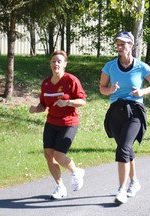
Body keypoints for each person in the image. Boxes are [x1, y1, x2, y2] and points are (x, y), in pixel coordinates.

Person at [99, 31, 150, 204]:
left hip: (135, 111)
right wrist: (110, 90)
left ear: (131, 45)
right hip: (115, 111)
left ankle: (122, 189)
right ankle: (135, 182)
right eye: (118, 44)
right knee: (125, 148)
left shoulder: (141, 67)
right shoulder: (110, 66)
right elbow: (102, 88)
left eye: (123, 44)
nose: (120, 47)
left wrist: (142, 91)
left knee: (124, 149)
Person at [29, 50, 87, 199]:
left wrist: (67, 102)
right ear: (50, 64)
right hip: (51, 122)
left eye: (59, 61)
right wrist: (36, 109)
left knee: (59, 155)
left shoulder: (71, 80)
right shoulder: (46, 83)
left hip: (68, 122)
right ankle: (60, 187)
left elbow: (82, 101)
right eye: (53, 61)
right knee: (49, 155)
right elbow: (43, 104)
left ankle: (76, 172)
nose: (56, 64)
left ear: (65, 64)